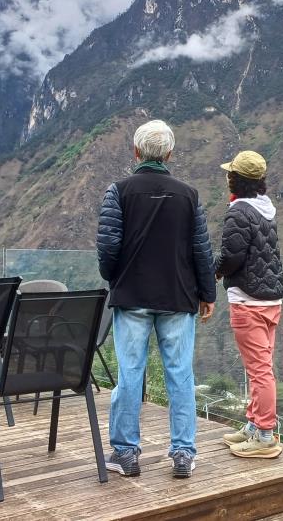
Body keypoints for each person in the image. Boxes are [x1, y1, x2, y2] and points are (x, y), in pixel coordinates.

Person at [96, 119, 216, 479]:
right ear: (169, 154)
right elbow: (201, 250)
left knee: (130, 374)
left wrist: (116, 278)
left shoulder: (119, 191)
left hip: (132, 296)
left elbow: (108, 248)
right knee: (180, 375)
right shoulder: (188, 195)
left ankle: (125, 453)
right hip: (178, 296)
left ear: (136, 152)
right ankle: (183, 453)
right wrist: (207, 293)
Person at [212, 150, 283, 458]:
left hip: (248, 300)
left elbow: (231, 257)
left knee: (259, 371)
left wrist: (213, 271)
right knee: (261, 367)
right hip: (271, 299)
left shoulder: (239, 212)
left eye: (230, 174)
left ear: (235, 179)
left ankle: (265, 436)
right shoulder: (266, 209)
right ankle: (254, 425)